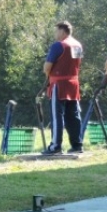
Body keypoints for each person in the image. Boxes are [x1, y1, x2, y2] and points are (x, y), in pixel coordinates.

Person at [42, 21, 84, 155]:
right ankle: (77, 144)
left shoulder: (58, 45)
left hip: (59, 84)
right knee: (74, 115)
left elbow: (47, 67)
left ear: (62, 30)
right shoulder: (78, 45)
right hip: (73, 83)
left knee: (57, 115)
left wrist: (48, 76)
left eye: (56, 31)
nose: (55, 34)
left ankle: (55, 146)